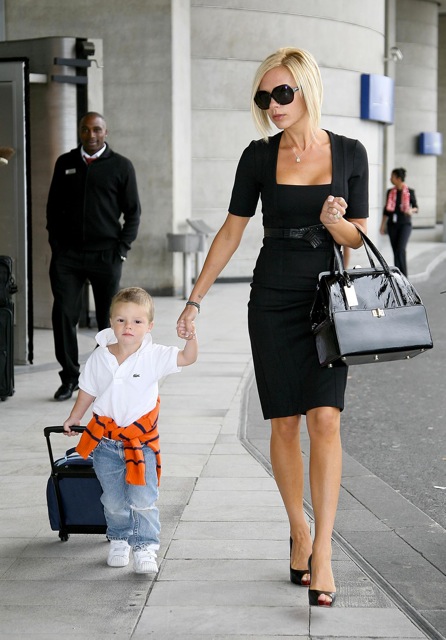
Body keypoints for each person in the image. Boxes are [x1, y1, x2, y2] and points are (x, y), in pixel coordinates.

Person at [177, 47, 369, 607]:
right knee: (284, 424)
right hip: (272, 299)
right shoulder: (258, 157)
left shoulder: (351, 153)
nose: (273, 105)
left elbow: (359, 238)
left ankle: (325, 552)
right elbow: (233, 231)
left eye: (282, 93)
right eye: (265, 97)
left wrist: (336, 223)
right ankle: (299, 530)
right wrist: (194, 299)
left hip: (327, 301)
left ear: (307, 88)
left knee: (325, 420)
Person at [63, 286, 198, 573]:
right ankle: (120, 538)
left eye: (137, 321)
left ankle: (146, 545)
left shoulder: (154, 355)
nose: (128, 327)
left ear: (149, 326)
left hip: (141, 443)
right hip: (106, 443)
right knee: (112, 499)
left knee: (143, 499)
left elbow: (187, 358)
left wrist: (191, 336)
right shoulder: (100, 357)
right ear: (110, 321)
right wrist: (74, 418)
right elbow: (87, 391)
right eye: (121, 320)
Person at [46, 111, 141, 401]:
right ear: (80, 132)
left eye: (97, 130)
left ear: (106, 132)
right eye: (85, 130)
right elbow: (53, 209)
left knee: (108, 320)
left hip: (106, 255)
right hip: (68, 257)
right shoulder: (66, 163)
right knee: (63, 314)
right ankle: (70, 378)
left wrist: (121, 251)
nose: (91, 135)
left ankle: (100, 379)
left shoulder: (121, 166)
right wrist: (58, 246)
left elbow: (133, 212)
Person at [380, 167, 418, 276]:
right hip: (392, 225)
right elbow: (386, 211)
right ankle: (398, 275)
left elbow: (416, 207)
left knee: (401, 248)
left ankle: (404, 276)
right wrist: (382, 226)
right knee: (396, 251)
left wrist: (411, 210)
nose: (390, 179)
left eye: (392, 176)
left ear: (398, 178)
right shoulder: (390, 192)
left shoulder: (410, 192)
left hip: (405, 225)